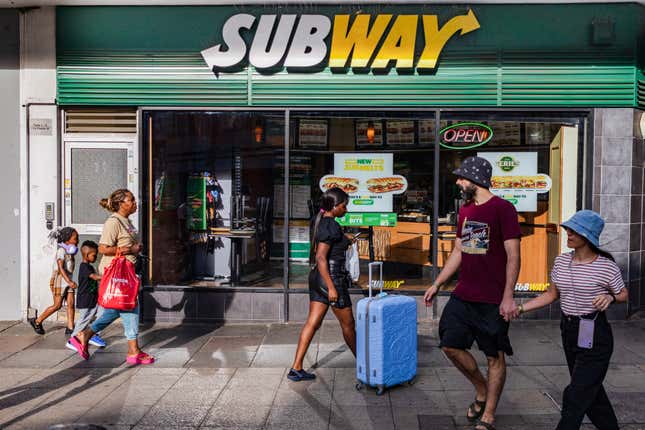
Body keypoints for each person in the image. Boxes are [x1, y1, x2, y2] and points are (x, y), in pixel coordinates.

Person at [424, 156, 521, 430]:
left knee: (494, 355)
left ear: (475, 179)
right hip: (465, 293)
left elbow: (514, 256)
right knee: (449, 344)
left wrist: (508, 296)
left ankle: (488, 414)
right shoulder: (467, 211)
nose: (457, 182)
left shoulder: (503, 209)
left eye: (461, 177)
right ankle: (481, 388)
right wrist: (438, 283)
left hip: (493, 299)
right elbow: (460, 251)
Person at [513, 210, 627, 430]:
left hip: (596, 333)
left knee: (575, 394)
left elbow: (623, 294)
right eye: (568, 229)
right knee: (589, 390)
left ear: (588, 236)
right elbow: (551, 295)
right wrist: (520, 308)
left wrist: (610, 297)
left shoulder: (606, 266)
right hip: (569, 331)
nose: (568, 233)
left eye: (574, 231)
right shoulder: (561, 261)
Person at [68, 189, 154, 365]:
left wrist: (136, 248)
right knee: (130, 306)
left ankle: (85, 335)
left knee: (121, 308)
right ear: (121, 203)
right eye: (131, 200)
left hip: (127, 272)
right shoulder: (113, 222)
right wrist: (130, 250)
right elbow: (103, 248)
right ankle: (133, 350)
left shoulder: (126, 221)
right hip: (118, 274)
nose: (135, 203)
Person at [288, 187, 357, 381]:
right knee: (349, 325)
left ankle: (296, 368)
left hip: (317, 278)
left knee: (313, 322)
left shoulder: (320, 222)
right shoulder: (331, 225)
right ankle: (365, 366)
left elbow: (326, 247)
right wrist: (332, 287)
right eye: (344, 206)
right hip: (330, 278)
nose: (346, 210)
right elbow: (320, 257)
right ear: (334, 206)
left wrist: (345, 240)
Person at [29, 227, 79, 335]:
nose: (77, 241)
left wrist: (70, 281)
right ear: (67, 240)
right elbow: (61, 268)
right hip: (60, 280)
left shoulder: (70, 252)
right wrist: (69, 282)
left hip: (68, 279)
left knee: (70, 304)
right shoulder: (61, 251)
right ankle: (37, 321)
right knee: (57, 305)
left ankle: (70, 327)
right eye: (75, 238)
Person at [65, 240, 107, 351]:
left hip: (93, 298)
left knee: (103, 313)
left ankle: (93, 334)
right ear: (87, 255)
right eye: (94, 255)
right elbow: (94, 277)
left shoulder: (90, 266)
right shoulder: (84, 267)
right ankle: (73, 340)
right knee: (83, 320)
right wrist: (106, 276)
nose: (96, 256)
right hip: (85, 300)